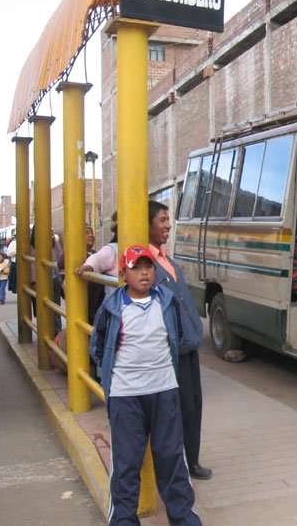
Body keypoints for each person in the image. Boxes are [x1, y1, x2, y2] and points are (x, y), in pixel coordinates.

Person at [90, 245, 201, 525]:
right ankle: (124, 520)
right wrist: (114, 381)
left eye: (148, 267)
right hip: (126, 397)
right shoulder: (113, 307)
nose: (144, 273)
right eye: (137, 268)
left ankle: (183, 518)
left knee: (172, 459)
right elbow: (99, 346)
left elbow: (175, 336)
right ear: (123, 272)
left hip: (164, 391)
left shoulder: (165, 300)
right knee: (126, 465)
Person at [148, 200, 212, 480]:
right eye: (162, 220)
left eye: (167, 219)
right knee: (174, 409)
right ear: (147, 224)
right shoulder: (145, 264)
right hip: (170, 350)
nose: (167, 225)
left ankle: (192, 459)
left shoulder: (166, 258)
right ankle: (177, 465)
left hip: (188, 345)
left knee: (193, 405)